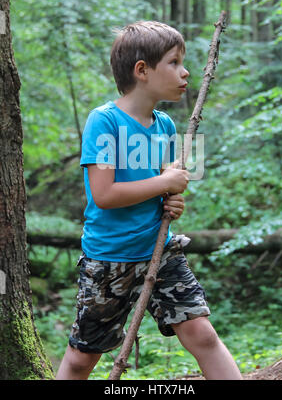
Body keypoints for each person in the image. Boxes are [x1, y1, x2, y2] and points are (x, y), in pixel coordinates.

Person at [56, 21, 242, 380]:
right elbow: (105, 195)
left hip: (159, 250)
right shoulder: (104, 121)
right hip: (110, 259)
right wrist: (164, 183)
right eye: (174, 62)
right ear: (142, 70)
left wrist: (172, 201)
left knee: (202, 334)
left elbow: (161, 189)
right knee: (82, 359)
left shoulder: (164, 126)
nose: (185, 72)